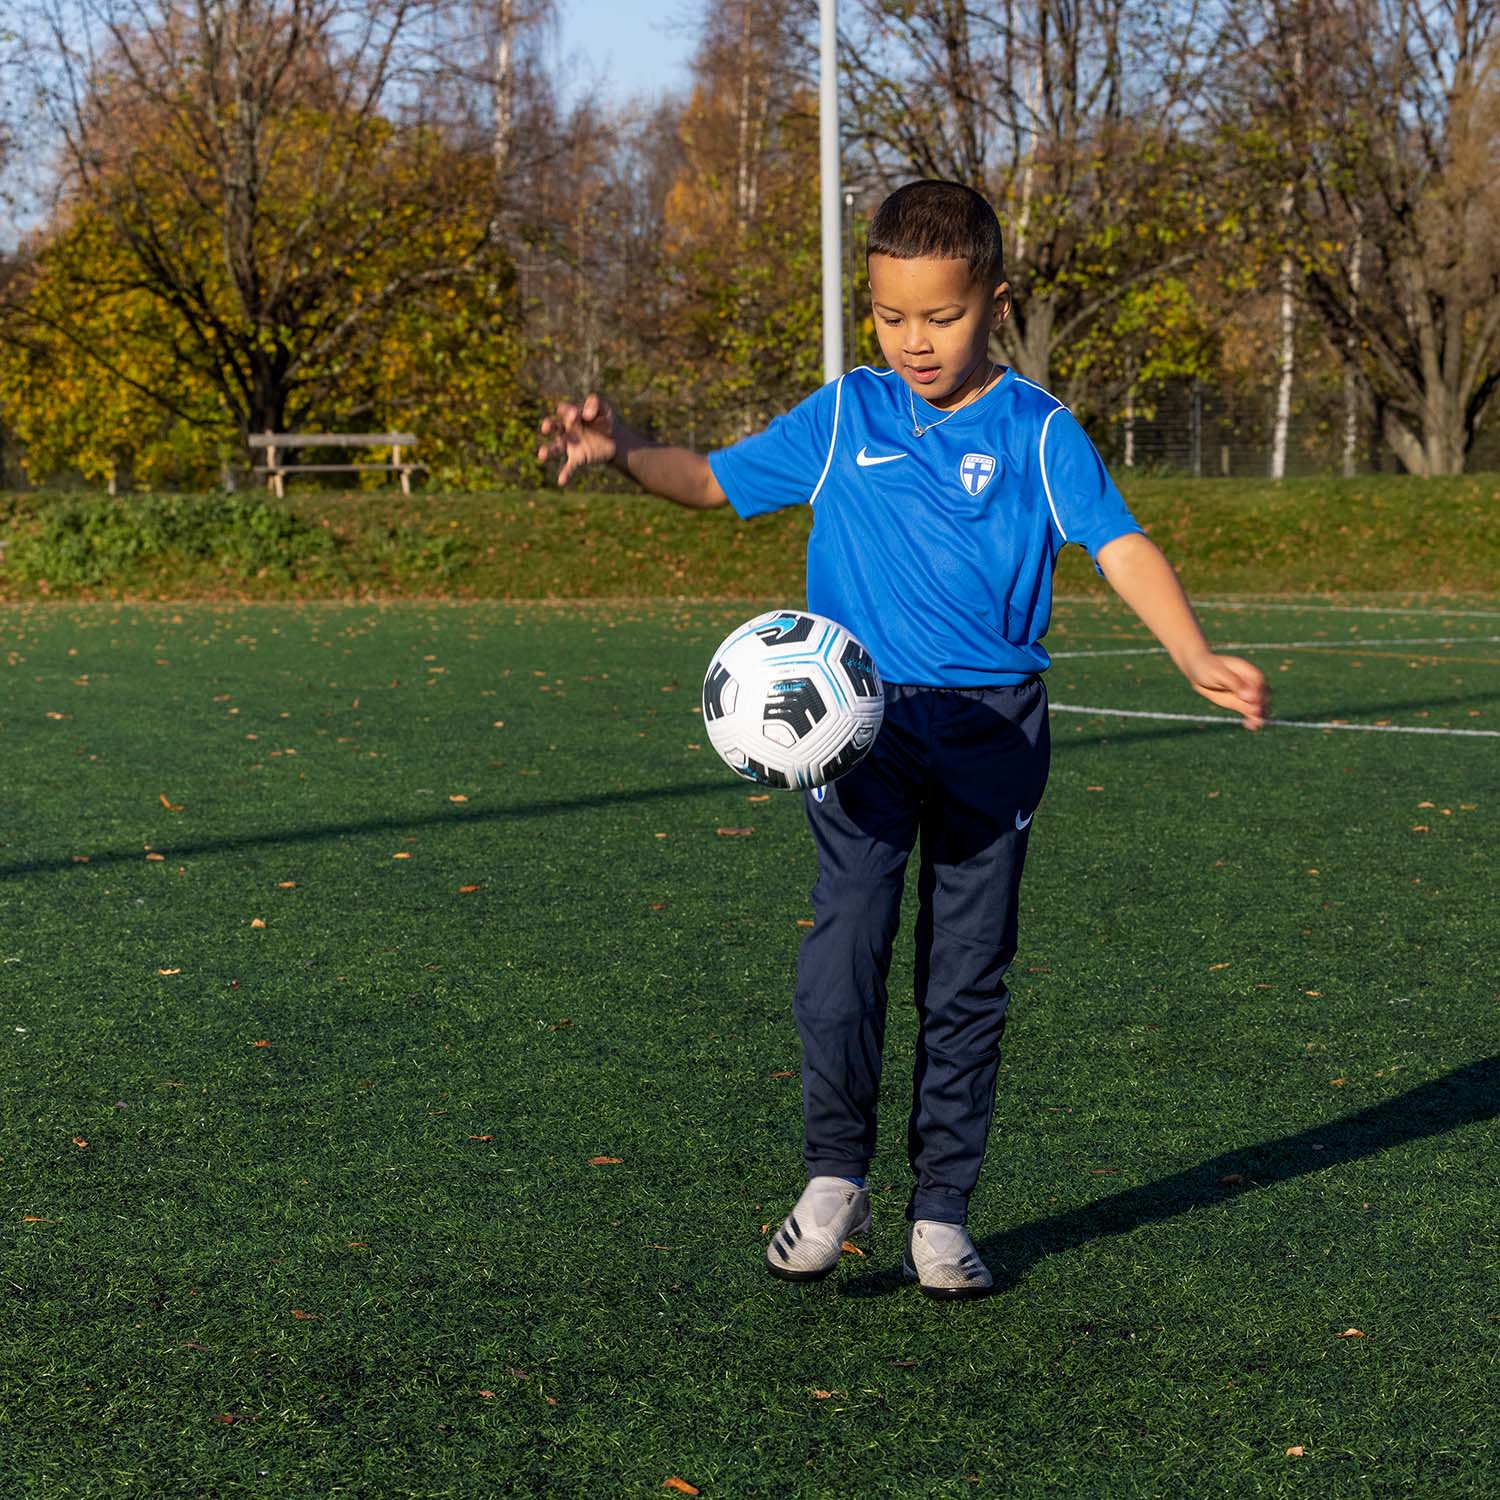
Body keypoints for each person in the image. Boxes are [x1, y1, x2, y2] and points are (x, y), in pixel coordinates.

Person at [537, 179, 1269, 1300]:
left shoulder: (1038, 430)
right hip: (859, 726)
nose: (914, 341)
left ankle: (941, 1213)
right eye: (890, 316)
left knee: (967, 973)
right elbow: (717, 482)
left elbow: (1118, 543)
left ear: (996, 304)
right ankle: (834, 1177)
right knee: (846, 948)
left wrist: (1192, 650)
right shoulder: (845, 417)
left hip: (994, 731)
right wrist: (625, 446)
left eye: (942, 315)